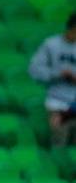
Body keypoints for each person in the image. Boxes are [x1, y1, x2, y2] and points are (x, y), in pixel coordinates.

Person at [29, 12, 76, 146]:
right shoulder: (51, 44)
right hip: (57, 103)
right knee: (59, 145)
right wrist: (59, 74)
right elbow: (34, 70)